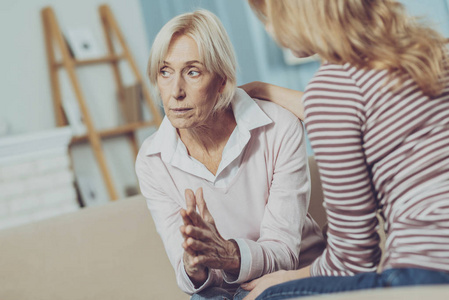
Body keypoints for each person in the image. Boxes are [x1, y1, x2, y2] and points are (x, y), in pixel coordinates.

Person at [240, 0, 449, 299]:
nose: (269, 30)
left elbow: (354, 261)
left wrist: (287, 278)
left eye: (268, 17)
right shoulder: (429, 53)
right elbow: (357, 108)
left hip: (425, 273)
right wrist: (262, 90)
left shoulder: (332, 89)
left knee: (268, 295)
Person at [135, 9, 325, 300]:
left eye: (193, 71)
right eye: (165, 71)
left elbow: (284, 253)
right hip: (221, 291)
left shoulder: (279, 127)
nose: (175, 91)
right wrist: (193, 262)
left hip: (291, 277)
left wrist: (228, 254)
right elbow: (188, 277)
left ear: (223, 80)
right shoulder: (151, 159)